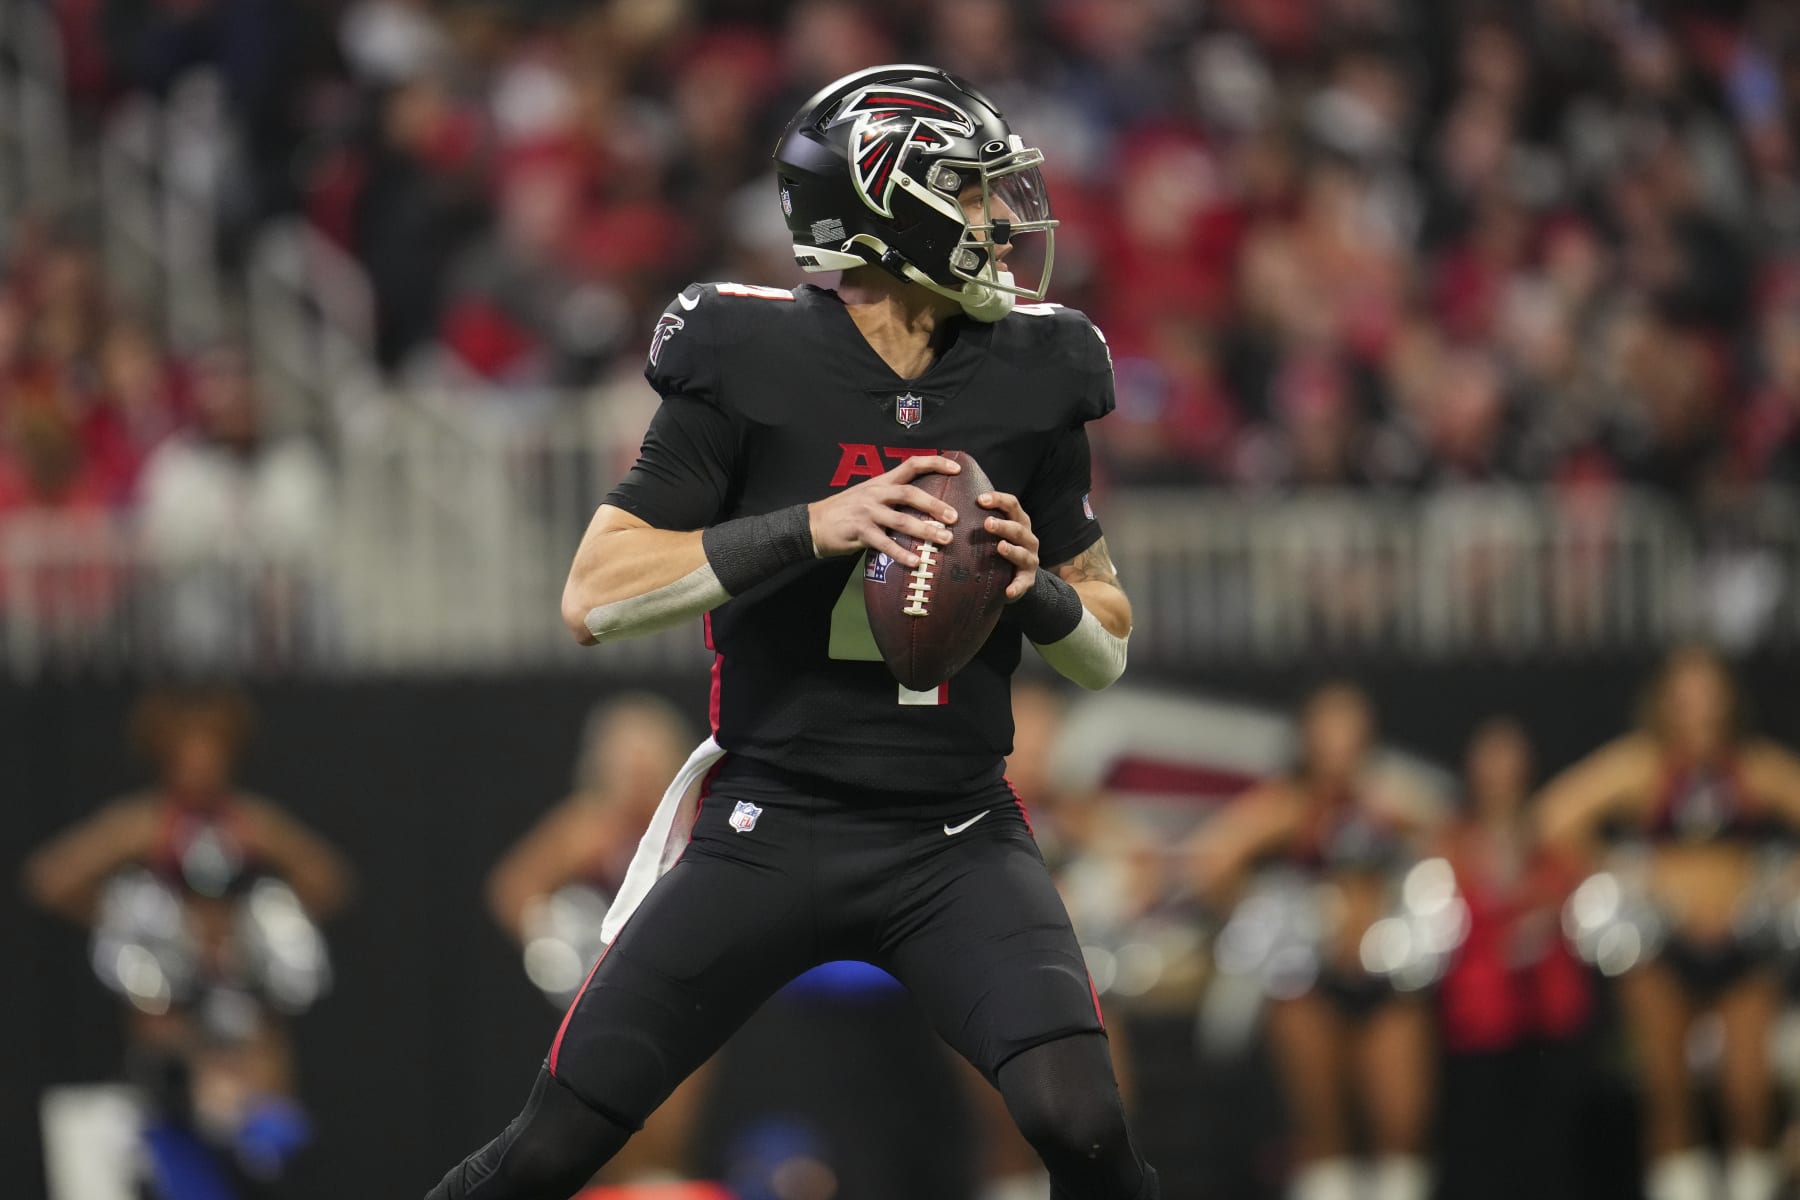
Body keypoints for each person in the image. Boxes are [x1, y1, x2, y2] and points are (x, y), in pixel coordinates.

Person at [426, 64, 1154, 1200]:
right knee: (553, 1146)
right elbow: (593, 594)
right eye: (968, 192)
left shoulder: (1036, 373)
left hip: (954, 826)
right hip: (771, 819)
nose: (999, 222)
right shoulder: (747, 354)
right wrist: (815, 526)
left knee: (1085, 1123)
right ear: (887, 202)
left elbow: (1105, 644)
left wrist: (1033, 585)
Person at [1537, 646, 1800, 1200]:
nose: (1699, 707)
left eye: (1710, 692)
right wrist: (1626, 871)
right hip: (1662, 947)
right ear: (1664, 702)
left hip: (1742, 945)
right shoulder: (1642, 767)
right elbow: (1555, 817)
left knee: (1748, 1095)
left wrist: (1783, 881)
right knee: (1668, 1093)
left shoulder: (1753, 767)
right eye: (1686, 694)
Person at [1187, 682, 1439, 1200]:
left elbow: (1448, 850)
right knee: (1321, 1127)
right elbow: (1210, 865)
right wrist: (1272, 914)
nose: (1339, 740)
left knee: (1401, 1121)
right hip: (1308, 984)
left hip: (1384, 977)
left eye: (1349, 726)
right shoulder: (1286, 806)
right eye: (1327, 727)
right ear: (1306, 736)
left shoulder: (1390, 801)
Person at [1434, 718, 1593, 1200]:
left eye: (1511, 756)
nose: (1501, 769)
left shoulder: (1559, 838)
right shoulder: (1448, 841)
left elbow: (1584, 897)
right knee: (1482, 1152)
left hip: (1549, 1018)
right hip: (1477, 1023)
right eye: (1490, 756)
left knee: (1549, 1150)